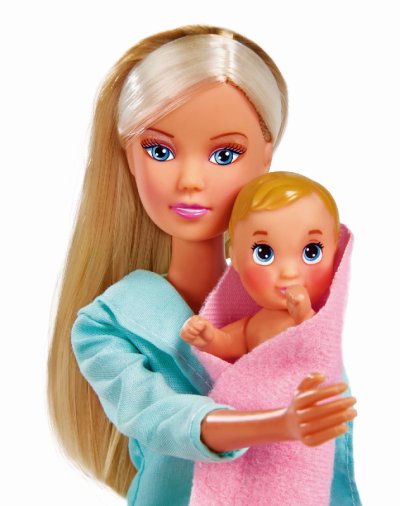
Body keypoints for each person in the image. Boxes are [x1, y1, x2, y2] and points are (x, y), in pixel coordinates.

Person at [47, 26, 361, 506]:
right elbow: (160, 416)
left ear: (266, 157)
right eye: (160, 151)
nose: (191, 180)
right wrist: (276, 424)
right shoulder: (105, 325)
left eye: (224, 154)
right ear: (129, 158)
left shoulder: (293, 289)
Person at [180, 171, 342, 359]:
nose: (289, 273)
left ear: (335, 253)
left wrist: (304, 316)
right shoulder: (254, 326)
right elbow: (229, 343)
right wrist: (208, 338)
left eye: (311, 252)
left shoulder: (322, 323)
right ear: (236, 258)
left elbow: (321, 352)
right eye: (264, 253)